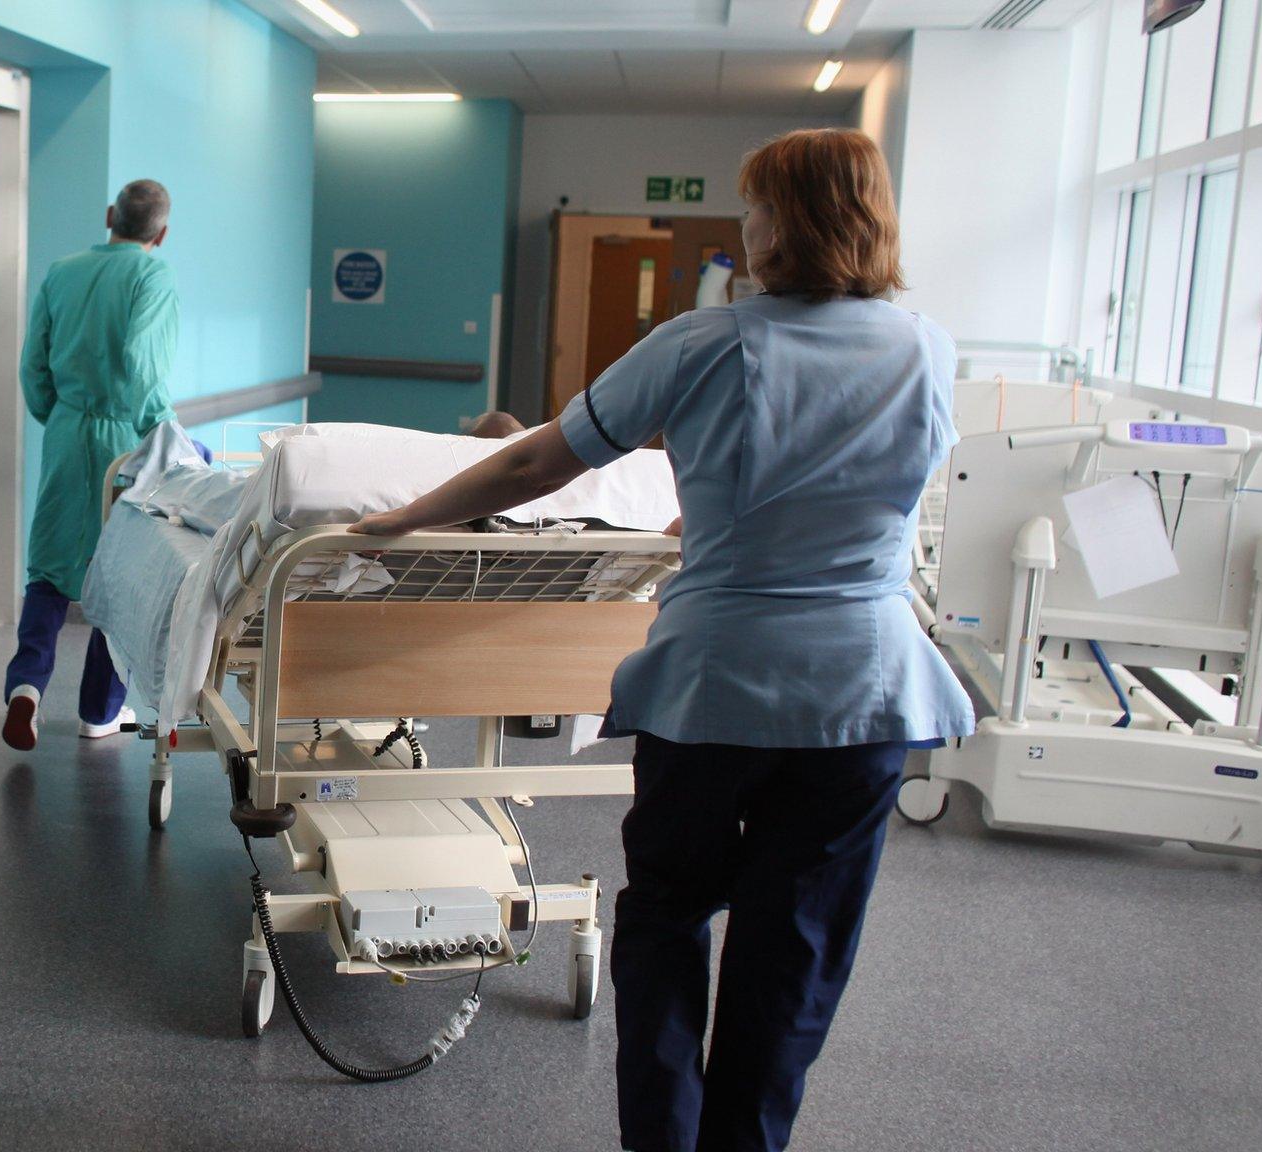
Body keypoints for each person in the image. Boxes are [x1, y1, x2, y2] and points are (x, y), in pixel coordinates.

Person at [350, 128, 973, 1152]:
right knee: (795, 954)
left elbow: (530, 465)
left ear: (787, 221)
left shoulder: (702, 343)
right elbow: (870, 491)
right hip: (862, 694)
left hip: (717, 694)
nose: (746, 225)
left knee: (668, 922)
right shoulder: (927, 349)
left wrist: (404, 518)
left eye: (755, 206)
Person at [3, 179, 179, 752]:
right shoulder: (152, 276)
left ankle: (25, 689)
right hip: (121, 437)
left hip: (65, 427)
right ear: (162, 233)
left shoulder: (62, 271)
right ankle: (99, 712)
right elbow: (142, 362)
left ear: (110, 216)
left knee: (50, 562)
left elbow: (33, 366)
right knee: (117, 570)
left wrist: (58, 416)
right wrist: (159, 433)